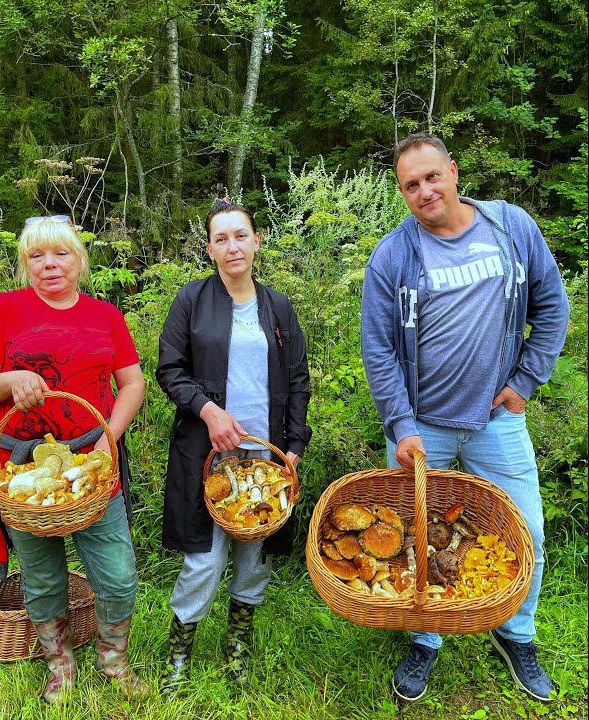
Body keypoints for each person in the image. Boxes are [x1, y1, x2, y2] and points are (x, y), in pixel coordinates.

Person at [361, 133, 570, 703]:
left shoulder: (510, 228)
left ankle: (516, 635)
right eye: (411, 185)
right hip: (421, 426)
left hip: (496, 421)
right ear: (402, 193)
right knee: (414, 538)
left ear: (453, 172)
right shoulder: (394, 255)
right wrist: (400, 424)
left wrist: (526, 380)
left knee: (525, 530)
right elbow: (378, 349)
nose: (425, 191)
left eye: (432, 177)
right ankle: (424, 640)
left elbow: (553, 305)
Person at [0, 216, 148, 703]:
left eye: (61, 253)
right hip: (22, 473)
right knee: (43, 577)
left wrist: (110, 438)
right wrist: (10, 380)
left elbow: (132, 384)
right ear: (25, 264)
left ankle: (113, 660)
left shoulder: (105, 314)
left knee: (119, 573)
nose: (50, 265)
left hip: (91, 464)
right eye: (37, 256)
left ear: (79, 260)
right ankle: (59, 664)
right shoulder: (2, 310)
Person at [155, 198, 312, 691]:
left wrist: (294, 449)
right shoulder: (192, 301)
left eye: (240, 235)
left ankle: (238, 641)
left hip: (265, 459)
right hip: (207, 455)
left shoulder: (278, 306)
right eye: (221, 239)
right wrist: (208, 410)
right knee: (205, 557)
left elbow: (299, 381)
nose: (232, 246)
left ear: (256, 240)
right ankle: (181, 645)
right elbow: (169, 371)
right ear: (209, 249)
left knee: (253, 554)